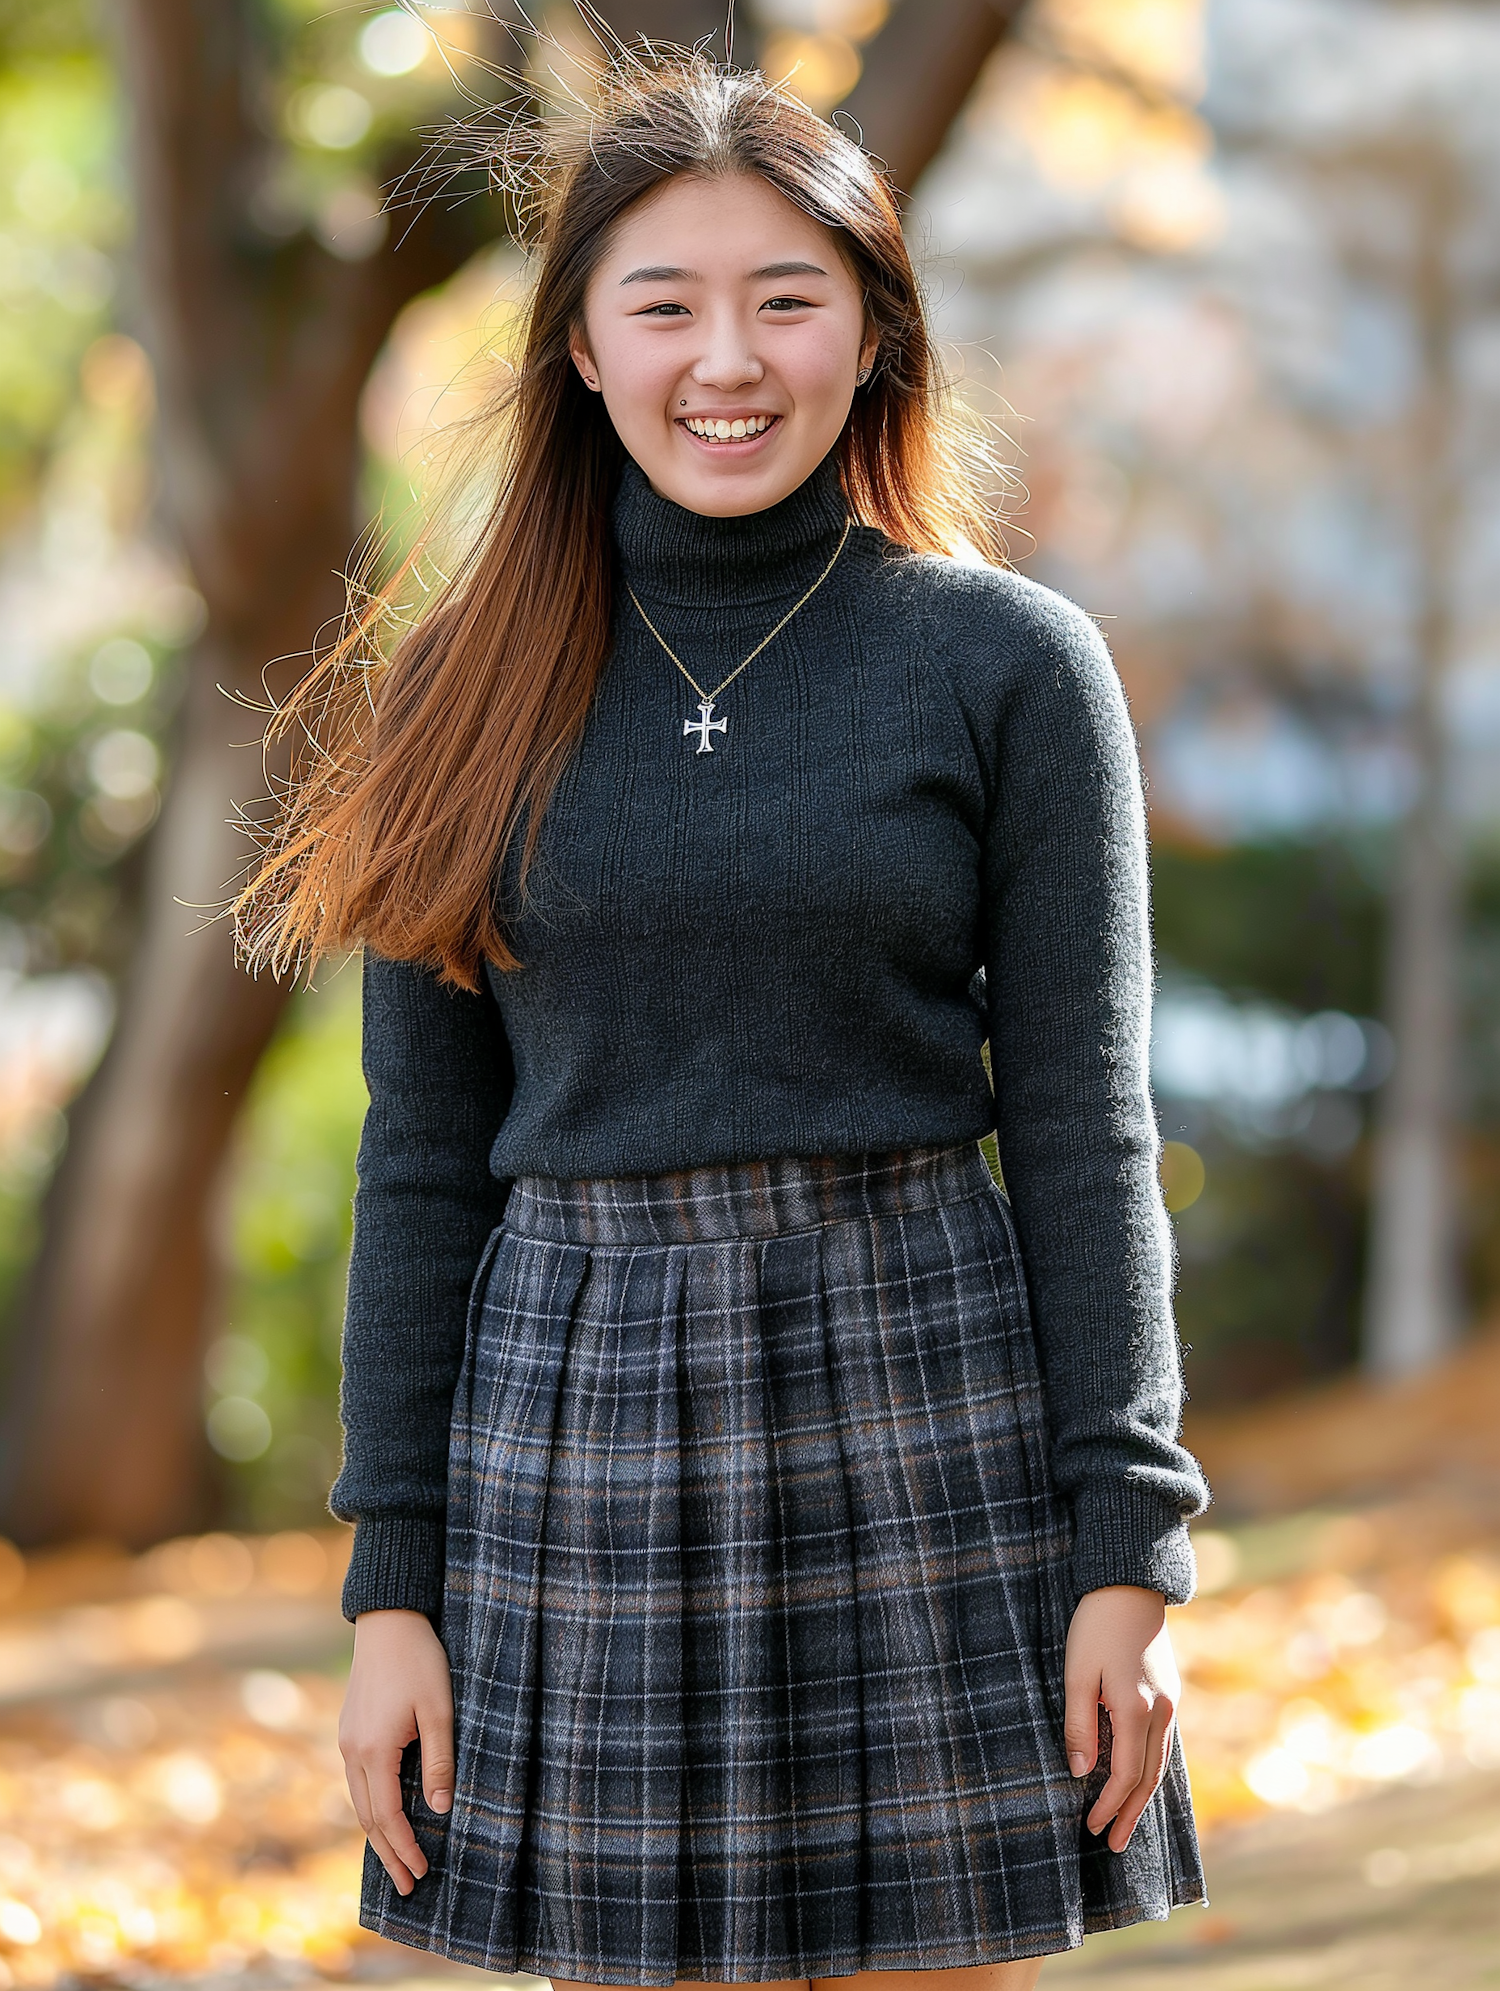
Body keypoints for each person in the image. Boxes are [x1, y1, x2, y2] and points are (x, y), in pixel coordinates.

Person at [237, 45, 1211, 1991]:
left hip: (921, 1382)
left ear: (873, 330)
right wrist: (391, 1588)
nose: (726, 359)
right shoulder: (458, 688)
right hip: (572, 1418)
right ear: (580, 350)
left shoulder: (1007, 665)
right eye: (662, 304)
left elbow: (1087, 1121)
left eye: (786, 298)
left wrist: (1132, 1545)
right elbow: (422, 1162)